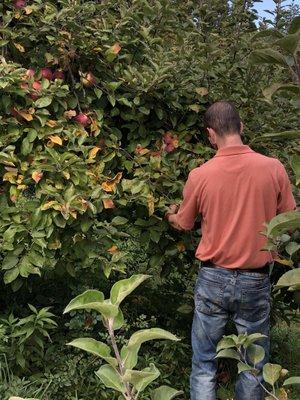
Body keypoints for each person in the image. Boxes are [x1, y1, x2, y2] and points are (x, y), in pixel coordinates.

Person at [165, 101, 296, 400]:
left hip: (213, 278)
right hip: (256, 278)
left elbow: (184, 223)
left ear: (211, 134)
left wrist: (170, 214)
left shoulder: (201, 174)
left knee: (203, 362)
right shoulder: (273, 168)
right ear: (241, 127)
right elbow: (289, 223)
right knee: (252, 364)